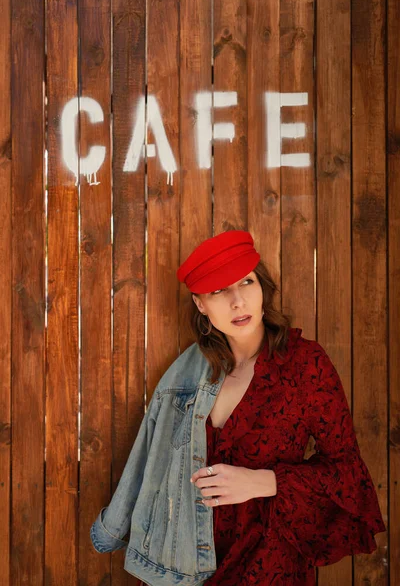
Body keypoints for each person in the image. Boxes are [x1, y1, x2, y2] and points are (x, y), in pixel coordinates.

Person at [91, 229, 385, 586]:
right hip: (181, 565)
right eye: (218, 290)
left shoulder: (305, 364)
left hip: (268, 566)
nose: (237, 302)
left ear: (262, 287)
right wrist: (115, 528)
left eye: (246, 282)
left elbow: (350, 476)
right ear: (201, 304)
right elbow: (150, 460)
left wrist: (265, 481)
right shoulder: (186, 372)